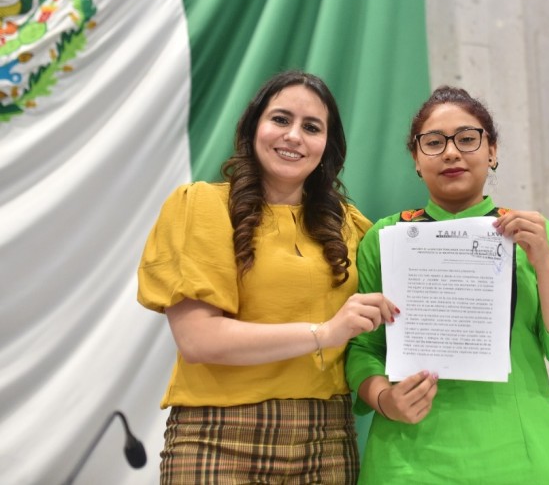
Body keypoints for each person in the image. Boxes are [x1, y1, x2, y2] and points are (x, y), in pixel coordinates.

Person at [137, 70, 396, 484]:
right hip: (217, 437)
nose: (293, 136)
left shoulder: (352, 226)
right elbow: (198, 340)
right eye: (280, 119)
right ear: (253, 127)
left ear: (327, 146)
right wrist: (324, 333)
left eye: (311, 127)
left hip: (327, 441)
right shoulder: (201, 206)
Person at [345, 85, 549, 484]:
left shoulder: (534, 235)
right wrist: (384, 399)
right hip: (408, 463)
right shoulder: (384, 238)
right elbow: (363, 349)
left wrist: (542, 259)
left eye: (467, 139)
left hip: (521, 459)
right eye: (434, 142)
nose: (451, 153)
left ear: (492, 151)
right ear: (415, 159)